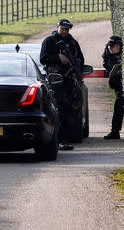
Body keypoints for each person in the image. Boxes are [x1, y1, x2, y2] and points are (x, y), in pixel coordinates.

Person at [40, 18, 85, 150]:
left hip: (68, 80)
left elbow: (80, 60)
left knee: (67, 110)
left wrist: (75, 71)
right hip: (55, 81)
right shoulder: (49, 41)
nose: (64, 31)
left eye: (67, 29)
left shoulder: (72, 42)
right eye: (62, 28)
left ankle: (64, 139)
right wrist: (57, 57)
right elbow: (43, 59)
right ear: (58, 27)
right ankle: (58, 140)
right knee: (59, 109)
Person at [102, 35, 124, 140]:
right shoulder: (107, 53)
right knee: (118, 106)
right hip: (117, 84)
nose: (112, 48)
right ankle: (115, 131)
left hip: (123, 83)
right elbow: (107, 66)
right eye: (111, 46)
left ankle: (115, 131)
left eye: (115, 46)